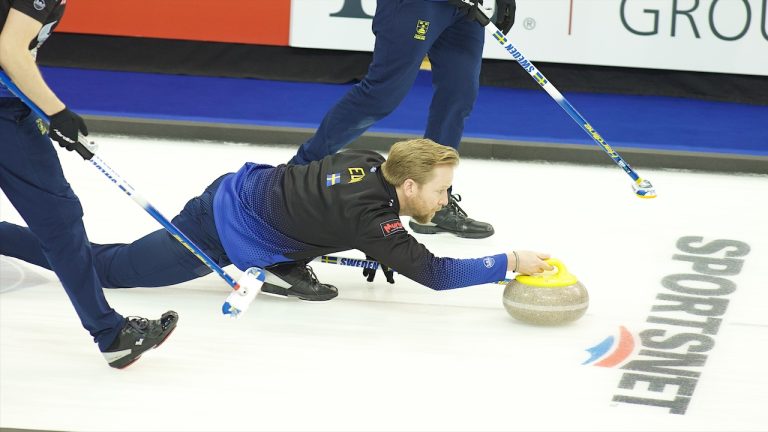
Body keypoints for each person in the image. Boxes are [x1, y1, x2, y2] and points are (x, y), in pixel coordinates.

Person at [1, 139, 553, 302]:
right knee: (108, 269)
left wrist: (384, 243)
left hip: (245, 191)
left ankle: (282, 262)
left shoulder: (367, 160)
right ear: (407, 185)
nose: (444, 200)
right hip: (221, 224)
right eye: (440, 190)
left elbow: (319, 191)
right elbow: (435, 274)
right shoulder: (373, 220)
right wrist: (506, 261)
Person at [0, 0, 177, 369]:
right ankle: (111, 334)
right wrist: (55, 111)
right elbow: (11, 48)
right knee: (59, 221)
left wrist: (38, 105)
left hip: (12, 107)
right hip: (6, 117)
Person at [287, 0, 516, 240]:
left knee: (459, 96)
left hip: (466, 7)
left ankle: (435, 200)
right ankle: (297, 171)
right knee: (382, 94)